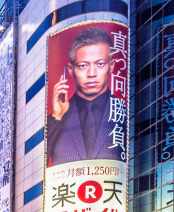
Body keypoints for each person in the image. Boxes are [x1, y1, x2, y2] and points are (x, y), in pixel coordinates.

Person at [46, 25, 123, 166]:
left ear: (111, 65)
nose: (91, 73)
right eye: (83, 65)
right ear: (71, 69)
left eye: (100, 64)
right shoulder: (58, 118)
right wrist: (56, 117)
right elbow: (37, 164)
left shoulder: (123, 114)